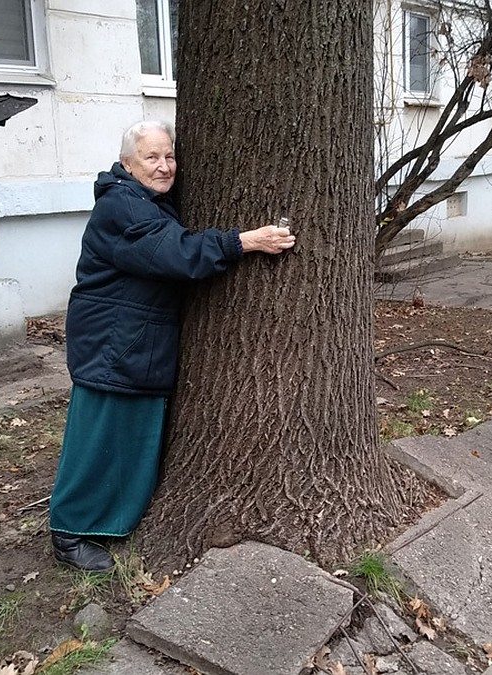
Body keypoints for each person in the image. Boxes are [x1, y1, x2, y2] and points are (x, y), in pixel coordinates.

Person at [48, 120, 295, 572]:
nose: (164, 167)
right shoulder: (122, 207)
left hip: (132, 342)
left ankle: (109, 522)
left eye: (169, 156)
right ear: (127, 164)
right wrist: (245, 241)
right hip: (114, 344)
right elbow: (173, 253)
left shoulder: (147, 200)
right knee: (98, 437)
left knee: (130, 438)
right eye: (151, 158)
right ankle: (68, 532)